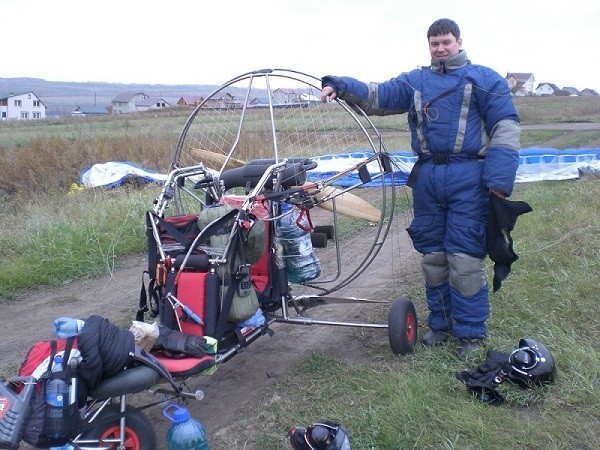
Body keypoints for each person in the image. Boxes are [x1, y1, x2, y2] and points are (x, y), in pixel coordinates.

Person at [320, 18, 520, 358]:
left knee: (465, 257)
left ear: (459, 42)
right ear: (429, 46)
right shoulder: (415, 81)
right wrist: (338, 84)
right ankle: (440, 325)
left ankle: (470, 333)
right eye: (434, 43)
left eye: (446, 41)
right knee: (433, 257)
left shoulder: (486, 80)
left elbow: (506, 127)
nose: (440, 48)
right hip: (427, 178)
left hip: (468, 177)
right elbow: (375, 95)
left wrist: (498, 182)